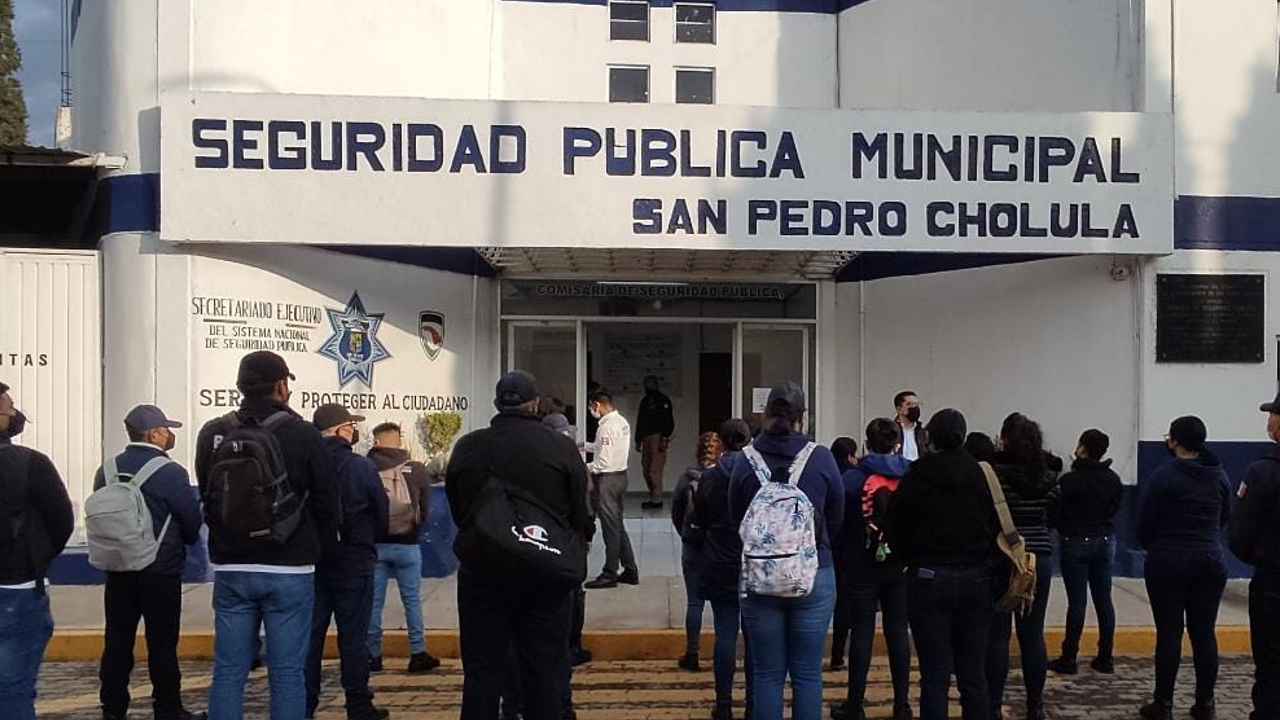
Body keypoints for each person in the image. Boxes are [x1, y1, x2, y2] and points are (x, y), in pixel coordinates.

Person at [194, 351, 341, 720]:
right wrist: (313, 548)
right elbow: (327, 501)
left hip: (231, 566)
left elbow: (208, 497)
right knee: (288, 672)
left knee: (229, 670)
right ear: (282, 385)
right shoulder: (303, 433)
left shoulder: (214, 431)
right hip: (289, 567)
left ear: (241, 386)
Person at [446, 370, 590, 720]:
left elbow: (459, 510)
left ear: (496, 404)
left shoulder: (468, 446)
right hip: (543, 574)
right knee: (543, 671)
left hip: (483, 574)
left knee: (482, 672)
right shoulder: (559, 446)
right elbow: (579, 513)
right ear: (536, 403)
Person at [729, 383, 843, 720]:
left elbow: (738, 518)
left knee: (767, 674)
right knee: (807, 673)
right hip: (813, 575)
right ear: (802, 417)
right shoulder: (821, 457)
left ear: (766, 416)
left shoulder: (745, 460)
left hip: (759, 579)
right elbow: (836, 516)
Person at [95, 405, 205, 720]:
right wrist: (187, 542)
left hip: (118, 568)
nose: (170, 435)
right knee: (162, 644)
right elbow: (189, 519)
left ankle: (113, 708)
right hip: (160, 569)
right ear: (154, 433)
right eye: (167, 429)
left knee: (116, 641)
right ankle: (167, 709)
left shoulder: (107, 469)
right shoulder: (170, 472)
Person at [888, 408, 999, 720]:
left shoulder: (917, 475)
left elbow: (896, 525)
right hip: (977, 578)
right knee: (973, 674)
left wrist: (906, 558)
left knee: (934, 677)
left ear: (931, 437)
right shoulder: (982, 475)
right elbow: (995, 523)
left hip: (929, 578)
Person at [1137, 416, 1232, 720]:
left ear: (1175, 441)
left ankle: (1163, 703)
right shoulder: (1219, 476)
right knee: (1204, 633)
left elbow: (1145, 523)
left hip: (1168, 562)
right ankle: (1206, 703)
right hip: (1209, 561)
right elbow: (1224, 518)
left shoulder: (1164, 476)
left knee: (1169, 633)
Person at [304, 404, 390, 720]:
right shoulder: (360, 467)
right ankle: (358, 704)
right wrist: (368, 540)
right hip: (354, 561)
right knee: (353, 639)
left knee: (310, 641)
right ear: (342, 430)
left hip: (313, 563)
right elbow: (381, 511)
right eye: (351, 426)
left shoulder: (305, 464)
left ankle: (304, 705)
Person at [0, 380, 73, 720]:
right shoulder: (30, 463)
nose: (16, 415)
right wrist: (35, 558)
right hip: (17, 589)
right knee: (13, 688)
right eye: (8, 409)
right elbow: (61, 522)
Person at [832, 419, 912, 720]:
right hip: (899, 562)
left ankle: (854, 704)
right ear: (896, 445)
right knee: (897, 631)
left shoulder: (853, 478)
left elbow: (837, 519)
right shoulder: (911, 476)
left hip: (862, 562)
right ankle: (901, 704)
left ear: (866, 443)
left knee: (862, 631)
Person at [985, 413, 1060, 720]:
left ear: (1004, 440)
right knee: (1032, 634)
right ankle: (1035, 706)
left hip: (1003, 556)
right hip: (1038, 558)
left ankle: (992, 706)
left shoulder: (994, 475)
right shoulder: (1050, 477)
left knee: (998, 635)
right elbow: (1054, 516)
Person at [1048, 428, 1123, 676]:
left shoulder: (1069, 480)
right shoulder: (1112, 478)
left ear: (1083, 448)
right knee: (1104, 600)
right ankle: (1106, 656)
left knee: (1077, 602)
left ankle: (1069, 656)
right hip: (1105, 539)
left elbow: (1055, 512)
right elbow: (1115, 507)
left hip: (1075, 541)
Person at [366, 421, 439, 674]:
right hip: (408, 544)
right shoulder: (416, 469)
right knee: (412, 601)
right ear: (399, 440)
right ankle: (418, 654)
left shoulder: (365, 467)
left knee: (374, 602)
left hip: (376, 545)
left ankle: (373, 656)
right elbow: (426, 507)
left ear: (376, 442)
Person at [695, 419, 755, 720]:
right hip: (753, 561)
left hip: (720, 558)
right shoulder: (759, 474)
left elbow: (700, 517)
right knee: (755, 635)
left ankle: (723, 703)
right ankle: (756, 701)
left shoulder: (712, 476)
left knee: (725, 634)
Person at [1230, 391, 1280, 720]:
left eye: (1273, 415)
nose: (1269, 421)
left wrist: (1260, 556)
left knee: (1272, 662)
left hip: (1274, 581)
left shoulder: (1264, 472)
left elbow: (1240, 533)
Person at [672, 431, 724, 672]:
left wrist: (686, 533)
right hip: (718, 547)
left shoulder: (686, 478)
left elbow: (676, 513)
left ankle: (692, 653)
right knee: (723, 604)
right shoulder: (725, 478)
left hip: (693, 545)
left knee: (695, 603)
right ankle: (723, 652)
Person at [584, 387, 639, 589]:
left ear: (597, 404)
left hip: (607, 480)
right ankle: (630, 569)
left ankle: (609, 572)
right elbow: (604, 448)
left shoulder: (606, 427)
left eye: (591, 406)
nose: (591, 410)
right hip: (620, 476)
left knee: (610, 529)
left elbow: (603, 462)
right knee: (618, 525)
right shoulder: (621, 422)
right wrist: (585, 446)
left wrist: (585, 467)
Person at [828, 436, 858, 674]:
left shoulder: (829, 476)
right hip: (850, 549)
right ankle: (838, 654)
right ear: (850, 456)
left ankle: (834, 653)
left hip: (829, 546)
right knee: (845, 605)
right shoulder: (854, 479)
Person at [636, 375, 675, 510]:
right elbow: (640, 421)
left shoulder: (663, 400)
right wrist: (638, 439)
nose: (648, 388)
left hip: (657, 437)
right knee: (646, 469)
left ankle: (657, 499)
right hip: (646, 437)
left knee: (654, 470)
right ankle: (653, 496)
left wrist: (664, 438)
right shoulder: (645, 401)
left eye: (650, 385)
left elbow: (668, 420)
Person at [893, 391, 929, 462]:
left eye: (917, 404)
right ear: (899, 409)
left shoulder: (924, 433)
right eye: (909, 404)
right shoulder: (891, 431)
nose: (914, 407)